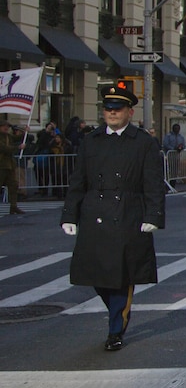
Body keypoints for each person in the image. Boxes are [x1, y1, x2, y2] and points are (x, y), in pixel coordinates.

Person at [60, 83, 165, 351]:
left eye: (118, 109)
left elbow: (153, 183)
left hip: (128, 213)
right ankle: (116, 313)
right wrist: (69, 215)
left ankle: (116, 328)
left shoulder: (144, 143)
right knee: (96, 275)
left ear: (130, 111)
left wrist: (153, 214)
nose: (112, 113)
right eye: (108, 109)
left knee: (121, 275)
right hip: (95, 212)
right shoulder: (91, 140)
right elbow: (78, 181)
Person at [0, 120, 27, 214]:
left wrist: (25, 132)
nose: (6, 128)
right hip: (1, 165)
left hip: (9, 165)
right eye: (4, 126)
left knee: (13, 186)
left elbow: (16, 138)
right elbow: (4, 148)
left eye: (7, 126)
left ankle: (13, 206)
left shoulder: (8, 136)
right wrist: (18, 147)